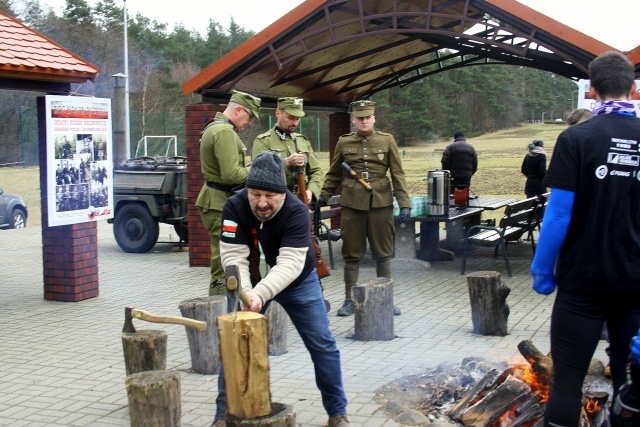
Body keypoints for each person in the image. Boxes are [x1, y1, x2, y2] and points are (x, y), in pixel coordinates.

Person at [530, 51, 640, 427]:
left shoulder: (576, 138)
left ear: (591, 90)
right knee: (631, 379)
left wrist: (542, 270)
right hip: (635, 283)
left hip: (582, 284)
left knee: (567, 383)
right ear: (634, 90)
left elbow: (558, 213)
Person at [210, 151, 351, 427]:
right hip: (247, 283)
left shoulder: (297, 211)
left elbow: (290, 263)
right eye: (255, 194)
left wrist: (261, 294)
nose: (261, 203)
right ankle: (222, 417)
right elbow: (233, 257)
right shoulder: (234, 207)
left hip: (297, 280)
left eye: (269, 196)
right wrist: (247, 293)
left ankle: (337, 414)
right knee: (231, 344)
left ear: (283, 194)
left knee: (323, 345)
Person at [319, 100, 411, 317]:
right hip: (352, 204)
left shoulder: (387, 141)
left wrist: (404, 203)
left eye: (367, 117)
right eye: (359, 118)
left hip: (381, 202)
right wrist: (322, 196)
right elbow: (334, 174)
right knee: (351, 253)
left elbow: (398, 174)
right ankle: (349, 300)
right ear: (353, 119)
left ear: (374, 118)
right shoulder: (344, 142)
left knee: (383, 253)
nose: (363, 121)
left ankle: (385, 299)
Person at [196, 89, 261, 296]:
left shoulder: (218, 128)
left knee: (226, 257)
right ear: (239, 109)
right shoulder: (224, 132)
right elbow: (232, 175)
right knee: (222, 263)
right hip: (219, 202)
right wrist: (258, 168)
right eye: (249, 117)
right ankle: (220, 308)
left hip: (220, 201)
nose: (249, 123)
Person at [252, 97, 323, 202]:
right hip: (274, 202)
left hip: (299, 200)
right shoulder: (263, 141)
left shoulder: (302, 140)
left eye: (297, 119)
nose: (294, 123)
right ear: (278, 113)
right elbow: (257, 174)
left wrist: (310, 191)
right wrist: (286, 162)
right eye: (290, 118)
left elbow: (317, 171)